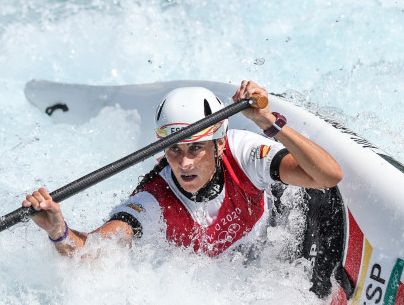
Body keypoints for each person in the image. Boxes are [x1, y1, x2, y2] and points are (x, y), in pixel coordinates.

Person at [23, 80, 343, 257]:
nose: (184, 163)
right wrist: (58, 231)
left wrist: (268, 122)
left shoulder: (243, 151)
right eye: (174, 149)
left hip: (280, 241)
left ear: (218, 144)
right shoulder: (153, 201)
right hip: (236, 286)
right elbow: (91, 254)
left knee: (316, 198)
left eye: (195, 149)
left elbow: (328, 176)